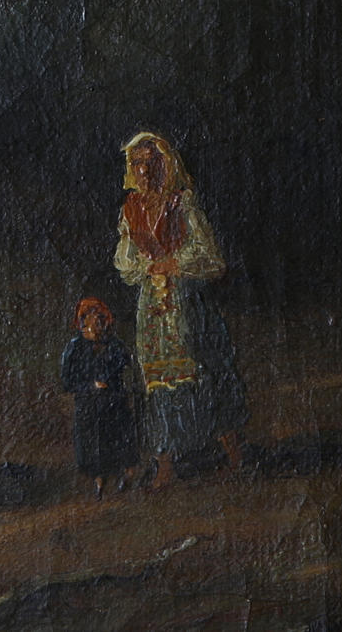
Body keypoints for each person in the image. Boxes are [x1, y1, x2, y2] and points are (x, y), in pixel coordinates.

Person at [113, 132, 248, 488]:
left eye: (151, 163)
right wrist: (147, 266)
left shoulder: (182, 202)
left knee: (205, 369)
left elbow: (211, 258)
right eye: (137, 164)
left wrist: (174, 263)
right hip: (154, 309)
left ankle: (234, 454)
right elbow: (125, 263)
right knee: (157, 381)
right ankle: (165, 465)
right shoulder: (131, 209)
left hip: (187, 302)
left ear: (166, 164)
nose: (144, 171)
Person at [60, 297, 139, 499]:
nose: (95, 326)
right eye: (89, 320)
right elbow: (67, 381)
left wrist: (119, 386)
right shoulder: (74, 348)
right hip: (88, 404)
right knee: (93, 441)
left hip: (115, 402)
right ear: (82, 322)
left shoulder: (115, 345)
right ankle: (99, 481)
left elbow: (127, 370)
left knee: (119, 437)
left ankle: (127, 474)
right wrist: (90, 385)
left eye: (99, 320)